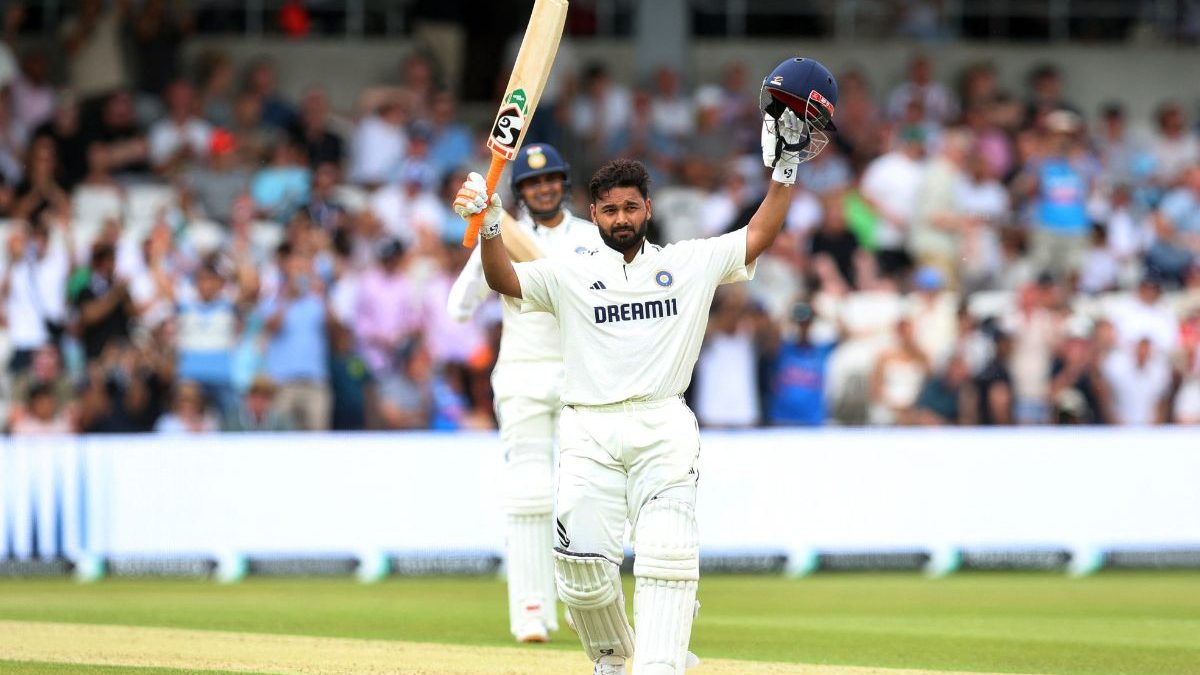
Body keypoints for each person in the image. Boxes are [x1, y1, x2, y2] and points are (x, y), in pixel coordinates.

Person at [455, 57, 836, 675]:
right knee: (580, 575)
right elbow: (505, 282)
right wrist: (492, 224)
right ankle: (613, 657)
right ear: (595, 213)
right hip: (588, 431)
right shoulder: (569, 272)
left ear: (648, 207)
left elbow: (758, 235)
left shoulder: (688, 263)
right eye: (609, 210)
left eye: (631, 207)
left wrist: (785, 171)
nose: (621, 219)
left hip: (662, 425)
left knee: (667, 557)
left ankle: (660, 664)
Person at [446, 143, 602, 643]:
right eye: (532, 184)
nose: (543, 189)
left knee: (585, 495)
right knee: (530, 493)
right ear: (521, 193)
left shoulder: (593, 238)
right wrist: (483, 237)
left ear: (564, 183)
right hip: (523, 375)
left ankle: (586, 603)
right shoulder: (502, 234)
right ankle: (531, 610)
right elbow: (457, 309)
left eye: (550, 179)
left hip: (582, 378)